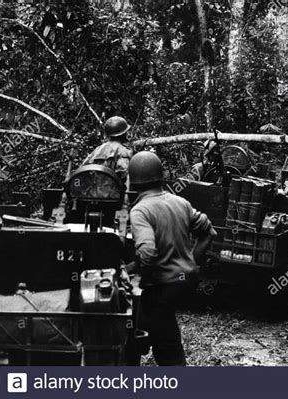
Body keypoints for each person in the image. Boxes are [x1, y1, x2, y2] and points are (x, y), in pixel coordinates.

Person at [129, 151, 217, 366]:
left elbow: (147, 253)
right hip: (182, 281)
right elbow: (208, 231)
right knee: (161, 328)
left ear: (134, 181)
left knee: (145, 334)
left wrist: (132, 272)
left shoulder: (140, 210)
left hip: (162, 285)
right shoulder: (181, 202)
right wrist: (191, 263)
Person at [82, 116, 133, 185]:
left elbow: (83, 169)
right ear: (123, 134)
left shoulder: (97, 149)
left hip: (93, 190)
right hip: (113, 191)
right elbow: (124, 174)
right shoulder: (124, 151)